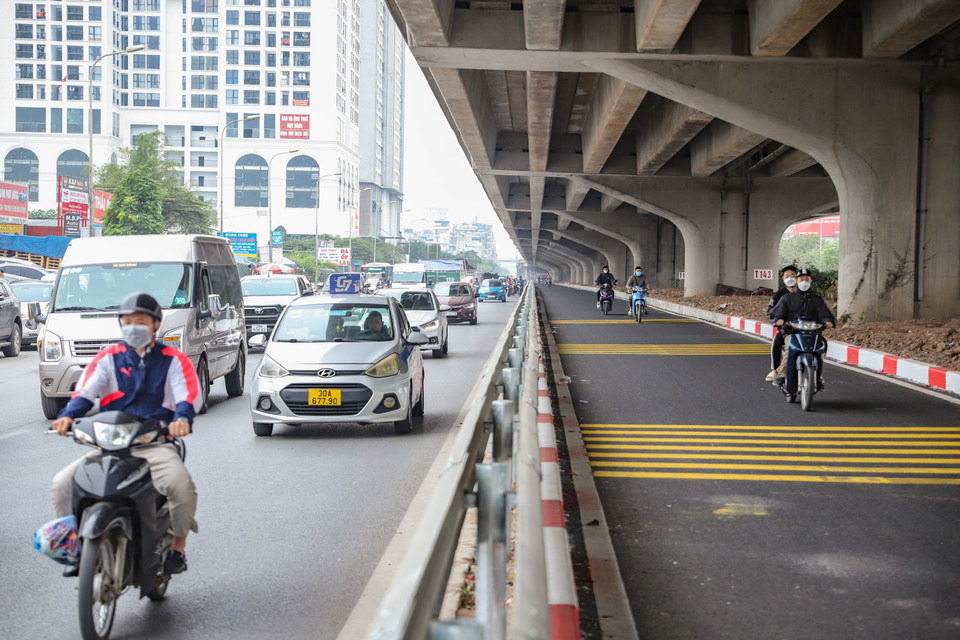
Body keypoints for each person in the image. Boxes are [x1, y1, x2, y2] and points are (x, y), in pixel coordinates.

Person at [49, 292, 201, 577]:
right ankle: (75, 548)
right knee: (62, 485)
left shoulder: (172, 359)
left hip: (154, 444)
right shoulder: (108, 358)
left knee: (181, 487)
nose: (133, 326)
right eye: (127, 321)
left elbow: (186, 395)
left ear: (156, 325)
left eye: (140, 321)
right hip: (110, 446)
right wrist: (67, 415)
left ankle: (177, 549)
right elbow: (86, 393)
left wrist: (182, 418)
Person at [768, 268, 836, 389]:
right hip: (791, 332)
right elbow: (775, 313)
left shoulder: (817, 299)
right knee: (790, 347)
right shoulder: (786, 298)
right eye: (801, 279)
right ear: (797, 280)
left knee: (821, 347)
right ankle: (782, 374)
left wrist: (828, 321)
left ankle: (818, 374)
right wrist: (778, 320)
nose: (804, 281)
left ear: (811, 281)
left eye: (806, 279)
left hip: (812, 333)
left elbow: (824, 314)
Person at [764, 265, 799, 382]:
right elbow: (771, 311)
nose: (790, 278)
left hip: (805, 327)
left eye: (792, 275)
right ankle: (775, 370)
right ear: (783, 279)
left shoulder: (806, 293)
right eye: (787, 276)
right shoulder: (779, 294)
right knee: (777, 341)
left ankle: (817, 373)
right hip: (787, 328)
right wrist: (776, 321)